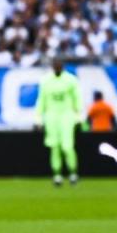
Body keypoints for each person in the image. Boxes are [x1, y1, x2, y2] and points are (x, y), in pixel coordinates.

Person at [35, 58, 85, 186]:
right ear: (52, 66)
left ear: (62, 66)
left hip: (67, 116)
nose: (57, 67)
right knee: (54, 146)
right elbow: (41, 100)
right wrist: (38, 118)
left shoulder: (71, 80)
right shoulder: (45, 80)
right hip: (51, 116)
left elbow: (77, 99)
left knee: (67, 146)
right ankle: (57, 175)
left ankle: (73, 172)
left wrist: (79, 117)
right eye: (55, 65)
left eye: (59, 65)